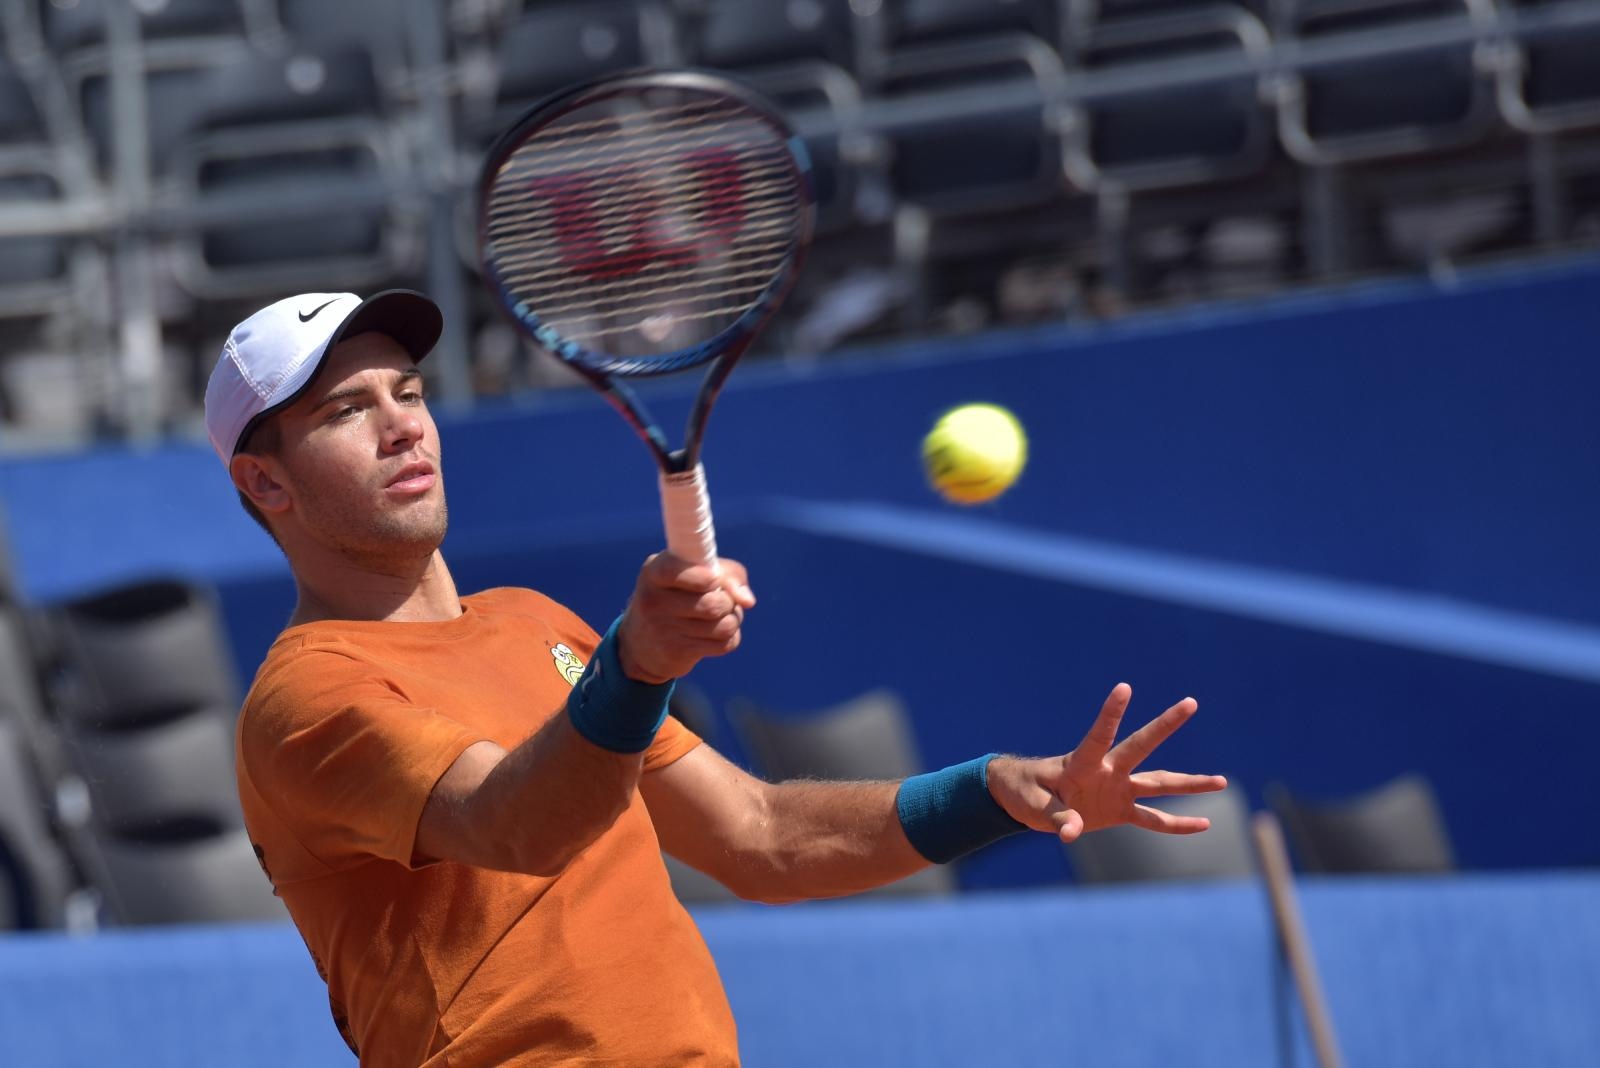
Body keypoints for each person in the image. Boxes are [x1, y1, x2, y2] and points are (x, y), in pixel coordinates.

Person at [207, 290, 1227, 1067]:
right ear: (265, 482)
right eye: (349, 409)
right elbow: (511, 825)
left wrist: (991, 794)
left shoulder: (530, 624)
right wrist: (636, 665)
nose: (403, 426)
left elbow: (764, 838)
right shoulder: (309, 700)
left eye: (411, 393)